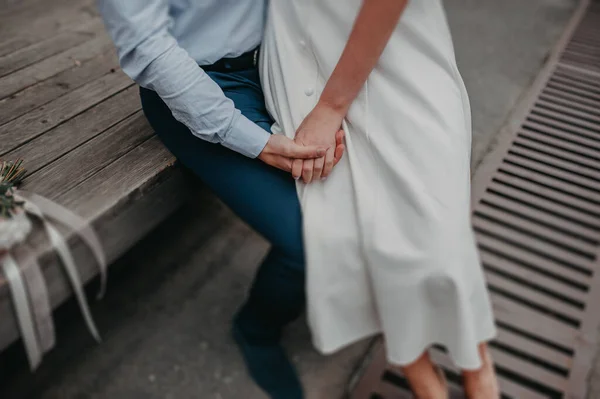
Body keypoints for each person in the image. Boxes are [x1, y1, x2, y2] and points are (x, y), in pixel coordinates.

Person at [97, 2, 344, 398]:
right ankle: (257, 329)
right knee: (306, 241)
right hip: (203, 85)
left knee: (348, 200)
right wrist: (251, 140)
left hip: (285, 63)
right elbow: (148, 44)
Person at [260, 0, 499, 397]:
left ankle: (476, 362)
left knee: (435, 240)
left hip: (397, 53)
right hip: (301, 50)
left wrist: (332, 106)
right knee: (353, 234)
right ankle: (417, 368)